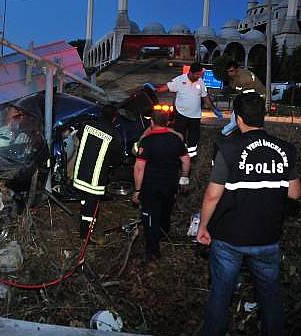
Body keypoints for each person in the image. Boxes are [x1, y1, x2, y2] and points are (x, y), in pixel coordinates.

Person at [197, 93, 301, 335]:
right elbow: (295, 193)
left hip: (228, 238)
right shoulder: (285, 150)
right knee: (271, 297)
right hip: (267, 238)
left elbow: (213, 195)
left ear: (238, 118)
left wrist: (203, 226)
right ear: (262, 117)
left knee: (221, 295)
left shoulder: (228, 148)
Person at [132, 109, 190, 262]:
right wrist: (184, 178)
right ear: (168, 122)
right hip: (170, 184)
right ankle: (164, 234)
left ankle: (153, 250)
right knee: (166, 210)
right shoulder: (176, 139)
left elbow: (139, 167)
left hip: (151, 187)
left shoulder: (147, 140)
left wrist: (137, 190)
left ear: (151, 122)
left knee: (150, 216)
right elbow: (185, 160)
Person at [73, 104, 122, 244]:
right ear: (114, 118)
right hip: (95, 179)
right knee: (91, 207)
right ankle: (86, 236)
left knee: (84, 200)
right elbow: (117, 158)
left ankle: (83, 217)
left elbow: (79, 136)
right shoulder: (114, 134)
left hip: (80, 172)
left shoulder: (87, 125)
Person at [151, 62, 222, 159]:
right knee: (180, 135)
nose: (198, 76)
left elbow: (205, 97)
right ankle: (180, 155)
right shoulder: (180, 80)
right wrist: (155, 90)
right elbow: (167, 87)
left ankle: (191, 156)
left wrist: (213, 109)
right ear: (191, 72)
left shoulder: (200, 82)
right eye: (197, 74)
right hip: (181, 114)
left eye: (200, 74)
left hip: (195, 116)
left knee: (194, 137)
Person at [221, 60, 267, 136]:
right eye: (228, 71)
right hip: (251, 98)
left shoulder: (244, 77)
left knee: (239, 119)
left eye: (231, 71)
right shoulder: (234, 77)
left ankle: (224, 133)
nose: (229, 73)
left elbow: (248, 94)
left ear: (237, 69)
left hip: (254, 99)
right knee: (240, 120)